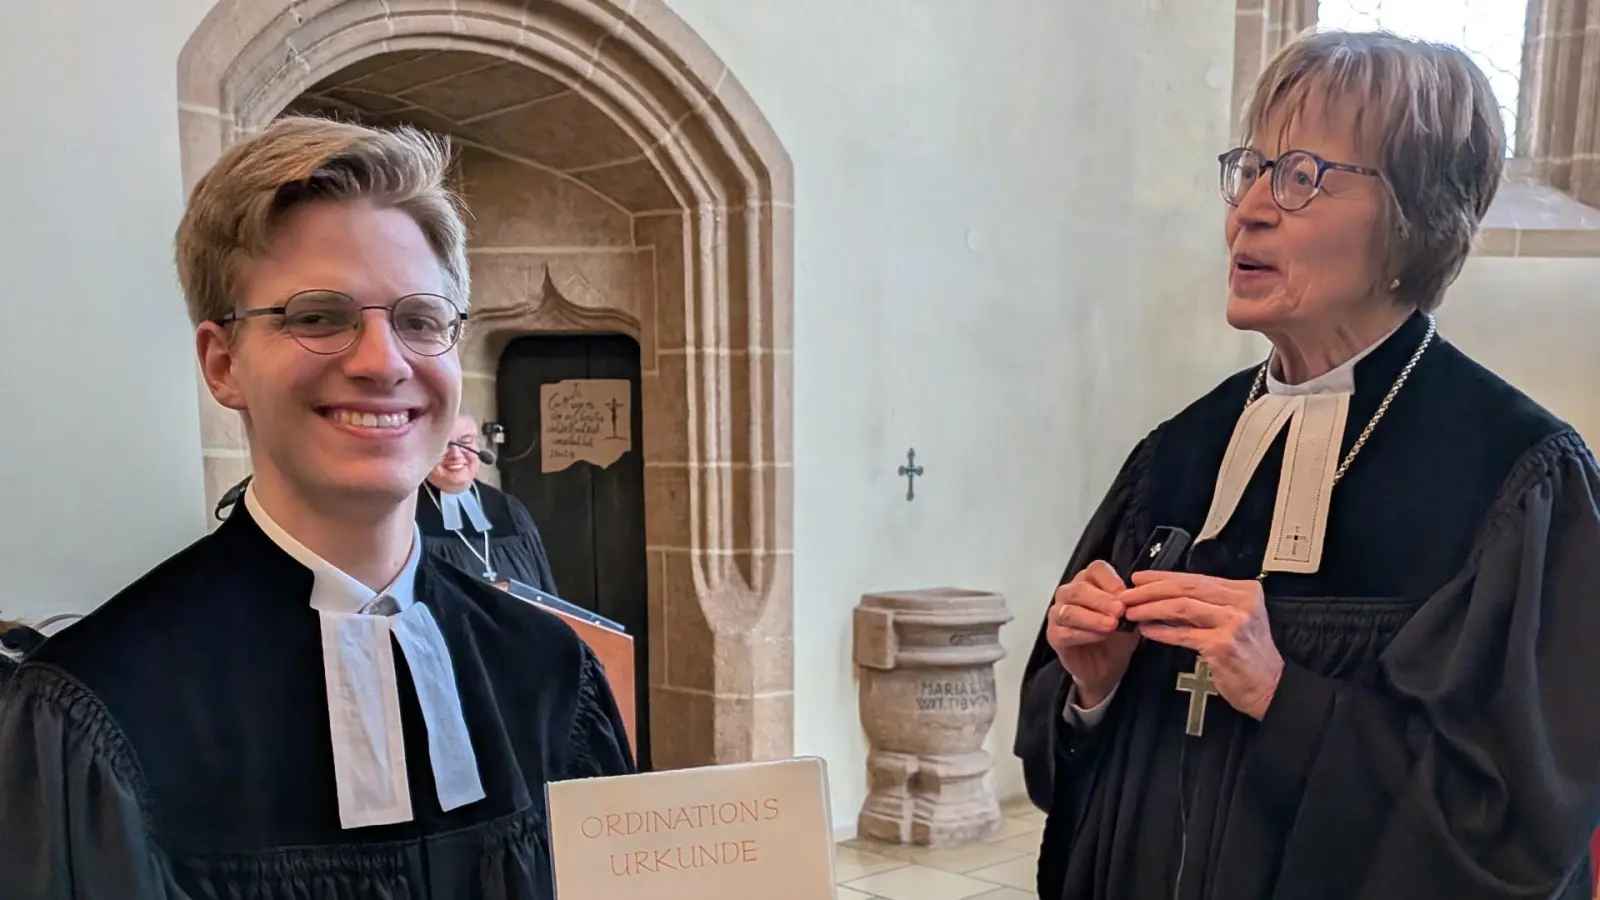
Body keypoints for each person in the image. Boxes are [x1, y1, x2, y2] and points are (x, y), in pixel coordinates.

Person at [1015, 29, 1600, 900]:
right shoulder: (1177, 456)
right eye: (1251, 169)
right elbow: (1065, 776)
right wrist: (1091, 691)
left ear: (1415, 217)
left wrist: (1283, 696)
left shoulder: (1515, 479)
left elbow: (1516, 835)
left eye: (1301, 177)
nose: (1250, 209)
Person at [0, 116, 634, 898]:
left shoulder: (550, 673)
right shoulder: (96, 709)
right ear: (223, 364)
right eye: (318, 316)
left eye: (420, 320)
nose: (382, 361)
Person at [417, 412, 559, 591]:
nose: (456, 454)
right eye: (444, 444)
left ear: (478, 446)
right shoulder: (406, 513)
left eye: (465, 442)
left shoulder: (509, 509)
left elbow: (543, 585)